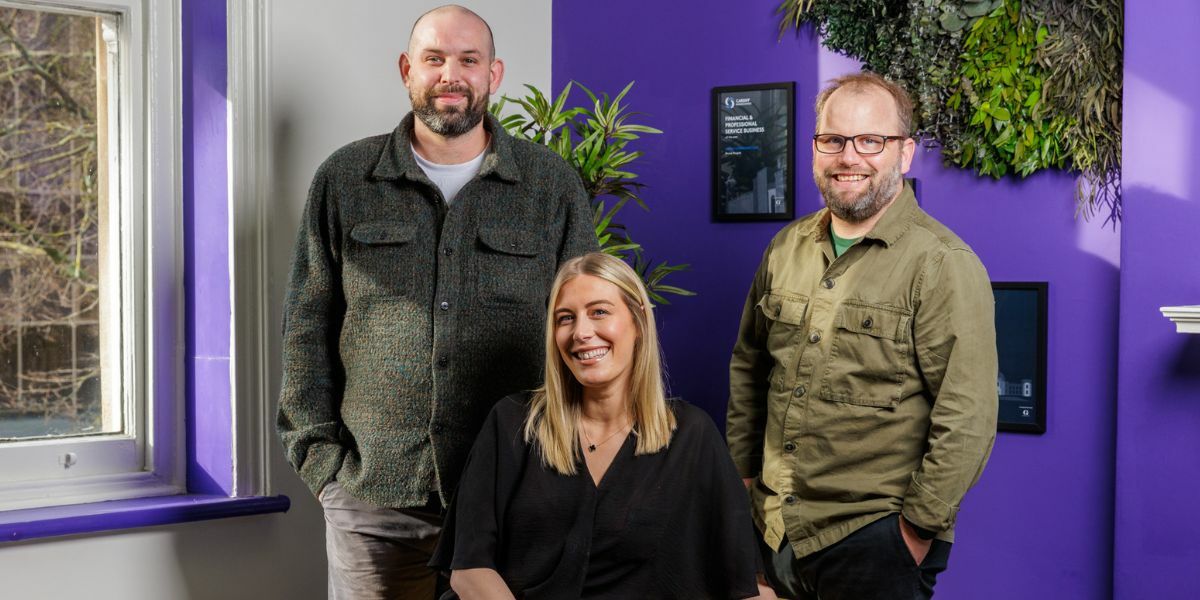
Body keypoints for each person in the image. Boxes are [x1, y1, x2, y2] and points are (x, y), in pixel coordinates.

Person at [276, 5, 597, 599]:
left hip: (516, 498)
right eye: (434, 58)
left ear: (493, 74)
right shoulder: (345, 179)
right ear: (407, 70)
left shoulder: (551, 186)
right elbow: (307, 327)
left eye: (468, 60)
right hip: (375, 504)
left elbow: (586, 328)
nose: (451, 74)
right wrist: (325, 469)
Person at [727, 71, 999, 600]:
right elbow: (749, 368)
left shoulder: (942, 263)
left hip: (872, 538)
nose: (848, 156)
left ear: (904, 154)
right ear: (815, 149)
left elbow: (967, 416)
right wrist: (742, 484)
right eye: (833, 140)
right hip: (771, 528)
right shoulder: (785, 248)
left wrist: (915, 531)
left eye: (871, 140)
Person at [432, 253, 768, 599]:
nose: (581, 332)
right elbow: (469, 571)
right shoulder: (512, 423)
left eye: (599, 312)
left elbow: (745, 584)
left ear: (638, 321)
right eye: (565, 318)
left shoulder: (691, 435)